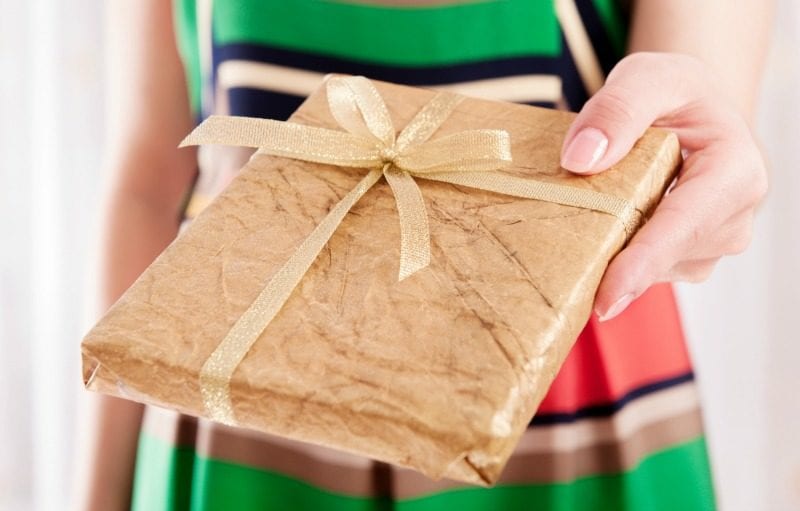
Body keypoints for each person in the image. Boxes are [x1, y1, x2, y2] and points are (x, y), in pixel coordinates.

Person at [74, 1, 771, 510]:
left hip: (563, 430)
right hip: (239, 421)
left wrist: (705, 143)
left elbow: (699, 111)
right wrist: (97, 494)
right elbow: (148, 184)